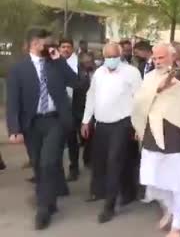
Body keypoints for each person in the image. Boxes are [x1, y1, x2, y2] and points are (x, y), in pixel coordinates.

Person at [6, 28, 77, 230]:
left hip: (55, 121)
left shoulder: (56, 64)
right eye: (47, 43)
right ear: (35, 43)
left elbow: (77, 83)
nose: (51, 46)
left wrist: (59, 61)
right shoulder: (18, 69)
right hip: (32, 124)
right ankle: (50, 199)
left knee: (48, 162)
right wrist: (14, 129)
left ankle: (43, 209)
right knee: (38, 164)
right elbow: (13, 101)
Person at [131, 43, 180, 237]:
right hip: (153, 134)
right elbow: (140, 102)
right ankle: (168, 209)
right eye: (154, 58)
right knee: (155, 178)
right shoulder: (149, 78)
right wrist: (158, 88)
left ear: (173, 57)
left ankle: (177, 223)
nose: (157, 62)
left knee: (178, 181)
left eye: (161, 58)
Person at [80, 42, 142, 223]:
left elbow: (140, 99)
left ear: (120, 56)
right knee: (102, 162)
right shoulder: (99, 73)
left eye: (114, 56)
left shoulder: (132, 72)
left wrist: (138, 125)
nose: (111, 60)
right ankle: (126, 192)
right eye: (107, 57)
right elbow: (91, 96)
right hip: (102, 125)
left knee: (114, 162)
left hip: (122, 124)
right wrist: (86, 120)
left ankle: (109, 206)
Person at [58, 38, 81, 181]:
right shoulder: (54, 62)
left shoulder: (78, 63)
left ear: (72, 48)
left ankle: (74, 168)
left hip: (74, 105)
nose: (65, 49)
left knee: (72, 138)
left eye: (68, 47)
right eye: (63, 47)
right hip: (57, 105)